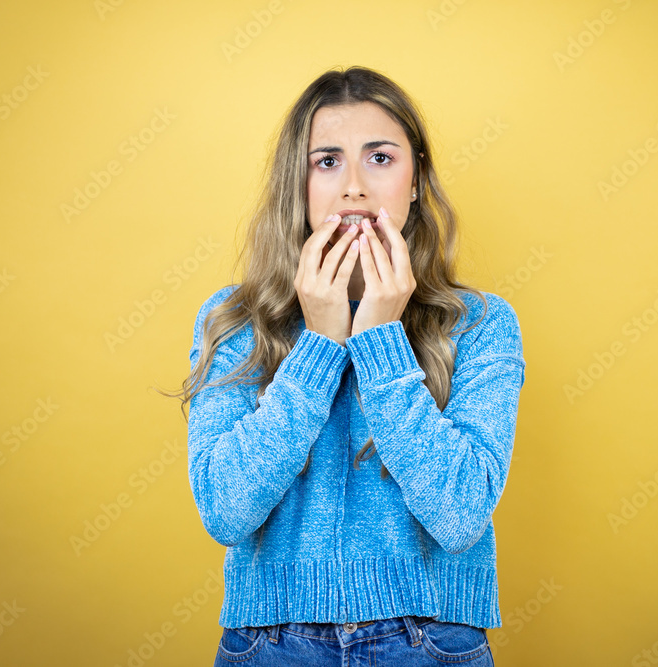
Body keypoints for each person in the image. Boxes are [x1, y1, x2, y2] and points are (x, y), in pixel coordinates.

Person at [170, 65, 525, 666]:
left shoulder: (481, 323)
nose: (354, 187)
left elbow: (461, 514)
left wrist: (382, 338)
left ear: (415, 182)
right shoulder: (233, 320)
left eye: (381, 158)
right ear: (299, 186)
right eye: (327, 162)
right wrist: (319, 345)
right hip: (271, 644)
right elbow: (227, 510)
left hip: (430, 642)